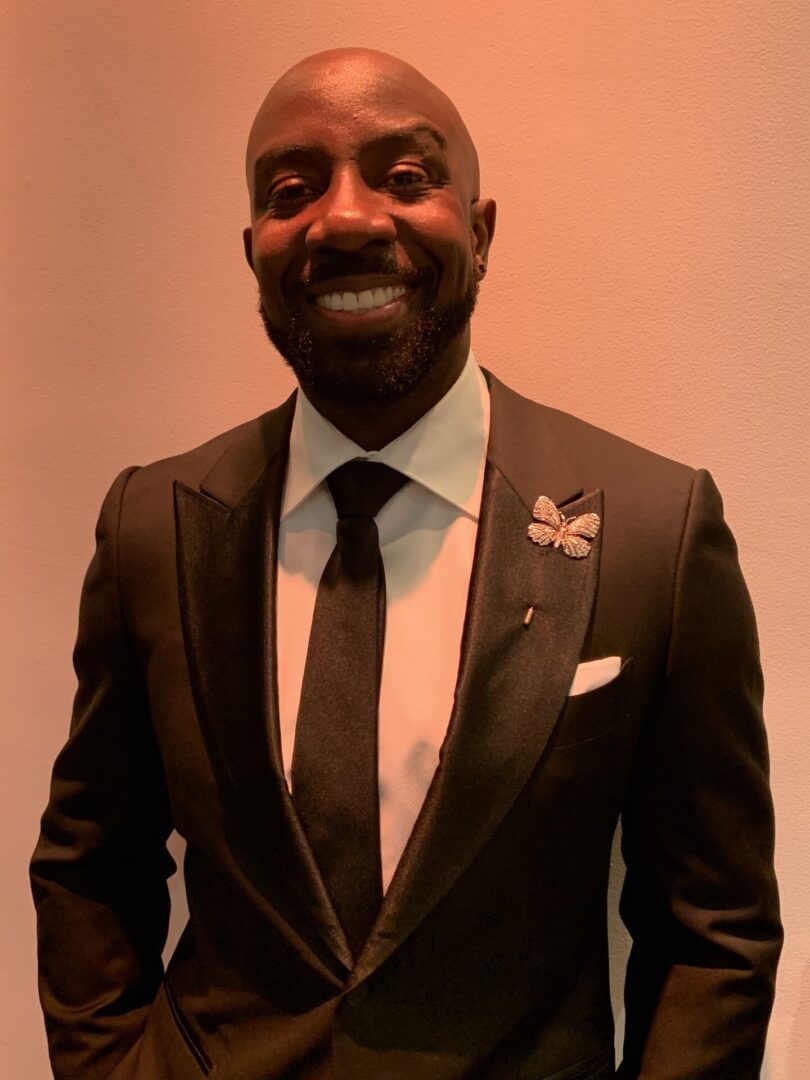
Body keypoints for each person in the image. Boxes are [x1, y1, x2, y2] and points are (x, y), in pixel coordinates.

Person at [31, 46, 782, 1080]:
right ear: (253, 248)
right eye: (294, 191)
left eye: (406, 177)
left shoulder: (658, 529)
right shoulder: (152, 527)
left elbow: (715, 928)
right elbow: (91, 868)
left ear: (479, 230)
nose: (346, 220)